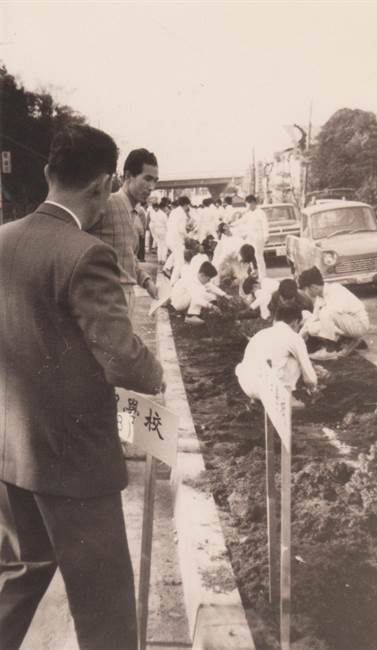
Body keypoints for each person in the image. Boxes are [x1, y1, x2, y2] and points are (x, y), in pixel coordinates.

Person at [0, 125, 164, 650]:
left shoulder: (2, 239)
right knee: (105, 605)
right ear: (103, 185)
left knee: (23, 572)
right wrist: (155, 374)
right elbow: (122, 359)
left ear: (48, 173)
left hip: (10, 450)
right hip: (73, 459)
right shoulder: (86, 254)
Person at [89, 148, 159, 317]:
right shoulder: (106, 203)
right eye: (147, 179)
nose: (152, 187)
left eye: (155, 181)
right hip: (104, 298)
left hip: (126, 297)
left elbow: (127, 256)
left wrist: (147, 281)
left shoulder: (137, 213)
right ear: (128, 176)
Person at [235, 303, 317, 407]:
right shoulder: (294, 338)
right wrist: (313, 390)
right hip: (272, 390)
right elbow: (309, 377)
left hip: (247, 386)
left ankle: (258, 400)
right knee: (294, 361)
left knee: (273, 359)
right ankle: (286, 400)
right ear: (295, 322)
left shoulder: (260, 334)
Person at [298, 266, 370, 357]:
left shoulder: (335, 290)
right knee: (312, 326)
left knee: (325, 313)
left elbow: (332, 313)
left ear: (313, 287)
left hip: (359, 324)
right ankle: (348, 341)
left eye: (305, 290)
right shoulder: (320, 297)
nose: (305, 293)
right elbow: (313, 319)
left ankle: (330, 351)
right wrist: (298, 338)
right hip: (346, 323)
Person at [234, 194, 269, 278]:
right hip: (250, 237)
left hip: (258, 237)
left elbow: (265, 224)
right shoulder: (248, 213)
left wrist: (266, 236)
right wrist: (231, 225)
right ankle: (254, 272)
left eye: (248, 203)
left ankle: (262, 275)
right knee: (250, 255)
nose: (247, 206)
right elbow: (241, 221)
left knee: (258, 256)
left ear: (253, 203)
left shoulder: (260, 212)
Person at [163, 195, 191, 285]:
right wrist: (187, 236)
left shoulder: (173, 211)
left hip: (169, 238)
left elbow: (170, 224)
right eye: (188, 205)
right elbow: (181, 229)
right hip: (177, 240)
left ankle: (166, 268)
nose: (188, 207)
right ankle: (173, 282)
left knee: (175, 254)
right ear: (186, 204)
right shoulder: (182, 214)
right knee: (180, 261)